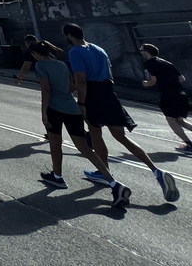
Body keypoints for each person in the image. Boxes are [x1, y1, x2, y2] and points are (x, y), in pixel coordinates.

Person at [63, 23, 179, 202]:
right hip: (109, 93)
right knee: (121, 136)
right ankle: (157, 171)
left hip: (93, 94)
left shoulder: (75, 52)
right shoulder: (99, 49)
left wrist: (82, 102)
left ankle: (105, 171)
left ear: (69, 36)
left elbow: (81, 80)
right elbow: (109, 74)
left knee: (95, 132)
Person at [29, 41, 131, 207]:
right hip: (72, 109)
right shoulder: (62, 64)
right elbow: (72, 86)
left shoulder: (41, 66)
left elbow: (46, 90)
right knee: (85, 148)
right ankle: (114, 183)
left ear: (36, 53)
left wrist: (43, 113)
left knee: (55, 144)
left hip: (54, 109)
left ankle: (58, 176)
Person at [140, 43, 192, 152]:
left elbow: (152, 81)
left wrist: (146, 83)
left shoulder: (149, 63)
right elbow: (182, 78)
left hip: (169, 95)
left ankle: (189, 144)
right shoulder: (167, 63)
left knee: (171, 120)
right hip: (181, 94)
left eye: (141, 51)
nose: (141, 53)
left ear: (147, 52)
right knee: (179, 120)